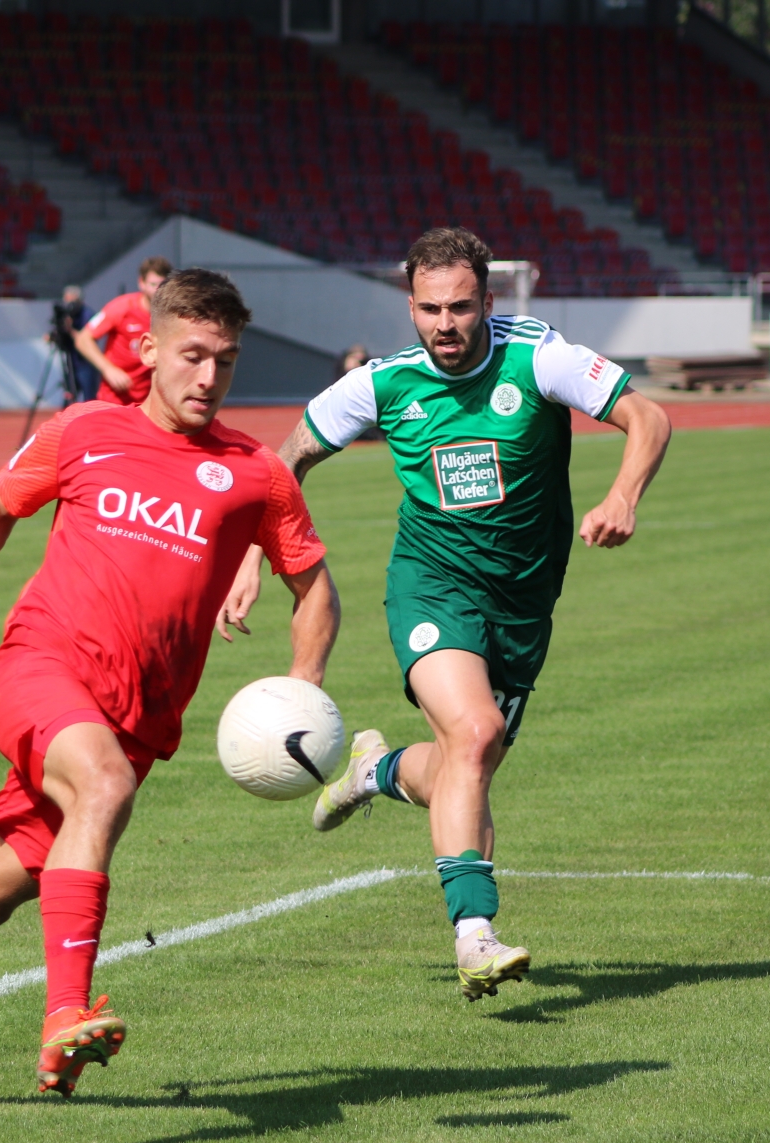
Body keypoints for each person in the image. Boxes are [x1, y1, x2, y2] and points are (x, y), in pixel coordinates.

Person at [0, 269, 339, 1107]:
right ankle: (65, 1013)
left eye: (224, 361)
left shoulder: (256, 475)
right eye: (191, 355)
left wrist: (303, 687)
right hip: (40, 670)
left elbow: (316, 586)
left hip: (134, 722)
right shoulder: (84, 431)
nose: (207, 377)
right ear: (147, 349)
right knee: (103, 783)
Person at [223, 227, 671, 1003]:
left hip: (525, 601)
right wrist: (252, 558)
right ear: (410, 306)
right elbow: (282, 461)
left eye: (462, 307)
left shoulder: (540, 357)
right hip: (431, 586)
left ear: (489, 302)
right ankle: (475, 934)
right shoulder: (381, 383)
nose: (445, 325)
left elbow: (648, 417)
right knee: (476, 735)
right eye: (430, 309)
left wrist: (622, 494)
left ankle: (375, 769)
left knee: (464, 763)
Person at [73, 256, 170, 407]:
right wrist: (108, 369)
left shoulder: (170, 316)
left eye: (162, 284)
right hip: (114, 400)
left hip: (148, 404)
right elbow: (83, 339)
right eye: (153, 284)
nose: (157, 290)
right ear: (141, 283)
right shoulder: (121, 307)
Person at [57, 284, 98, 402]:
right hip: (71, 361)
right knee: (69, 397)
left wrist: (70, 329)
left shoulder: (88, 314)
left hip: (86, 362)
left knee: (89, 399)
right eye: (66, 301)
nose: (68, 305)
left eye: (71, 302)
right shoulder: (66, 314)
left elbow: (88, 339)